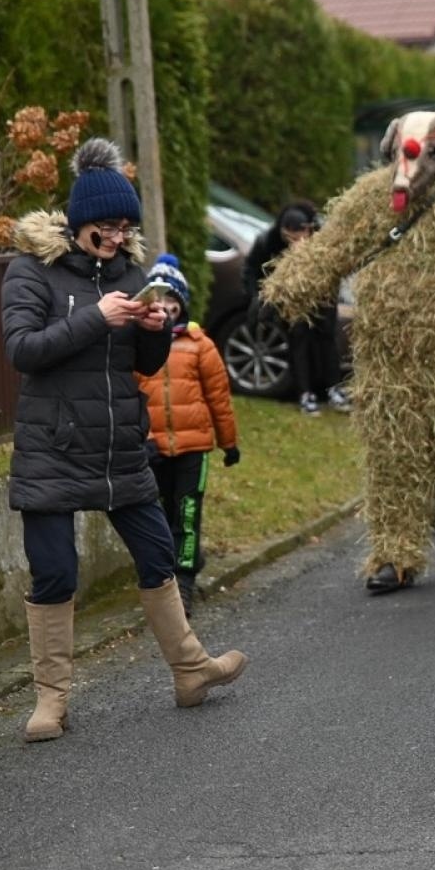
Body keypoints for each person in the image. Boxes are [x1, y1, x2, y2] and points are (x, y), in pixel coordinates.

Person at [3, 139, 248, 741]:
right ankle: (51, 702)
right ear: (81, 223)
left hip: (119, 446)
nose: (117, 238)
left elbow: (143, 363)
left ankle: (190, 671)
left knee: (159, 554)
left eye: (125, 228)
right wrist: (97, 317)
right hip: (52, 449)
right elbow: (22, 350)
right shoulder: (31, 269)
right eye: (107, 228)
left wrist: (155, 327)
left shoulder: (131, 275)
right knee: (55, 573)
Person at [263, 109, 435, 594]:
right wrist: (285, 292)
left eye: (427, 155)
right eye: (398, 154)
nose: (407, 167)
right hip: (386, 359)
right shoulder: (374, 198)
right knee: (394, 457)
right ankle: (396, 554)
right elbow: (333, 247)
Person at [137, 254, 240, 617]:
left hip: (194, 448)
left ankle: (184, 582)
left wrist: (229, 442)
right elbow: (129, 397)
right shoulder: (138, 344)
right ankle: (169, 574)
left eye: (172, 300)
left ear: (182, 305)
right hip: (153, 450)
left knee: (188, 513)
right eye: (158, 300)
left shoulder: (200, 345)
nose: (165, 307)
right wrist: (142, 438)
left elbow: (219, 398)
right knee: (161, 517)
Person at [244, 202, 347, 416]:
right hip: (292, 300)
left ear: (309, 229)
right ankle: (304, 394)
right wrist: (258, 296)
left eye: (301, 235)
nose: (296, 241)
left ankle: (333, 389)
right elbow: (252, 269)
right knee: (299, 340)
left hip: (322, 297)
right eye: (291, 237)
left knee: (327, 339)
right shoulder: (269, 242)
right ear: (283, 232)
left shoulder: (322, 239)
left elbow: (335, 267)